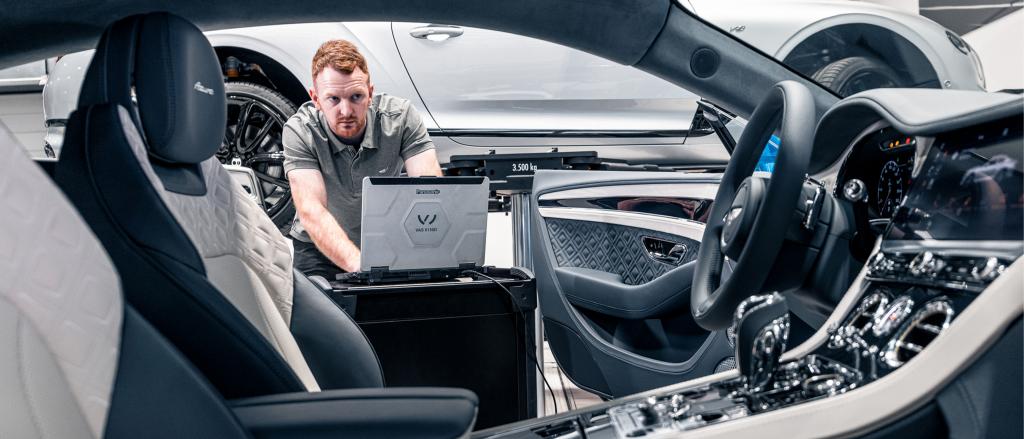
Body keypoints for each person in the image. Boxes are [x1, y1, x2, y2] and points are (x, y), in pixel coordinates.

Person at [283, 39, 443, 279]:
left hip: (384, 241)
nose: (346, 111)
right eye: (333, 99)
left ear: (370, 93)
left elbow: (430, 190)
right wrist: (361, 267)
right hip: (317, 248)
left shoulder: (401, 118)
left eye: (356, 97)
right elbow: (311, 210)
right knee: (316, 315)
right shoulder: (300, 130)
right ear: (315, 99)